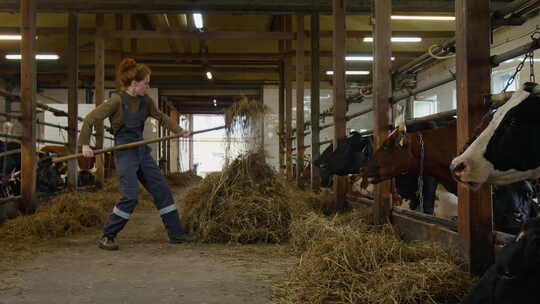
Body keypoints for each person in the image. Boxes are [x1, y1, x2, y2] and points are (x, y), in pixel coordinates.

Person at [78, 58, 195, 250]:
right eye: (146, 83)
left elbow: (162, 117)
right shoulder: (116, 101)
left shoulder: (146, 102)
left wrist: (179, 130)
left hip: (141, 150)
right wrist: (84, 145)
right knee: (131, 196)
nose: (147, 87)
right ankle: (108, 235)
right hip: (124, 151)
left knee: (162, 190)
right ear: (134, 83)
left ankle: (176, 234)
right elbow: (91, 119)